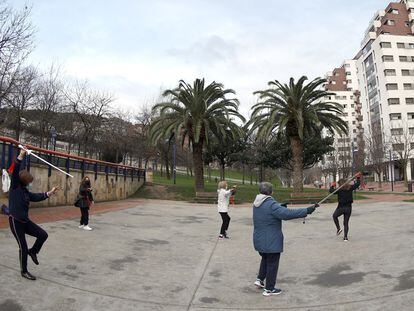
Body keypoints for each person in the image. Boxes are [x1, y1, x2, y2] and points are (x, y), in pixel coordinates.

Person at [252, 182, 316, 296]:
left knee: (266, 259)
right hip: (270, 240)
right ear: (271, 192)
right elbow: (287, 214)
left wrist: (280, 206)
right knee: (272, 263)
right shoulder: (271, 204)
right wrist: (307, 210)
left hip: (259, 239)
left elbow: (269, 212)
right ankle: (269, 289)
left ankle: (259, 279)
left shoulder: (257, 202)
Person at [8, 148, 59, 280]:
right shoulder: (15, 187)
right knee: (22, 246)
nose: (29, 184)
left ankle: (33, 251)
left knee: (43, 235)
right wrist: (21, 155)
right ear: (23, 181)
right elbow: (15, 171)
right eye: (28, 182)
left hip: (25, 221)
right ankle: (24, 271)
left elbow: (35, 197)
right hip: (15, 221)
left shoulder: (25, 191)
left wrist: (49, 193)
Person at [330, 172, 362, 241]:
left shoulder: (339, 189)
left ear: (341, 184)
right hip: (348, 208)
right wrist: (358, 178)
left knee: (334, 216)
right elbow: (357, 184)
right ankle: (345, 237)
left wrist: (332, 186)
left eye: (339, 184)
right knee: (346, 223)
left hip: (341, 208)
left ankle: (338, 229)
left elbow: (331, 191)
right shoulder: (350, 188)